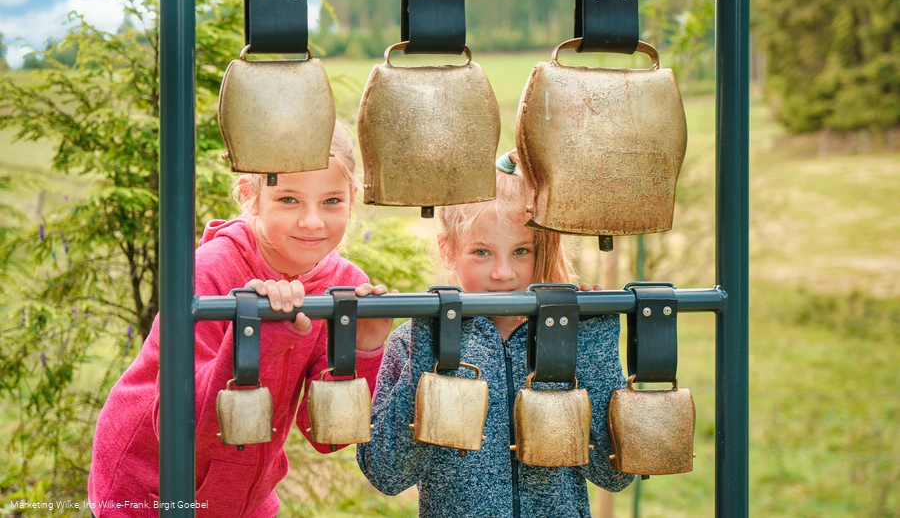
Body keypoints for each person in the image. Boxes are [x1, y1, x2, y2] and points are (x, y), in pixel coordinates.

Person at [89, 124, 393, 518]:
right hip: (149, 490)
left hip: (244, 497)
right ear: (250, 196)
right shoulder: (210, 271)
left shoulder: (345, 285)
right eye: (288, 199)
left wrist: (363, 349)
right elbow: (179, 425)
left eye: (331, 200)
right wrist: (260, 334)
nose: (312, 221)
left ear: (352, 199)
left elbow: (326, 437)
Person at [357, 151, 634, 517]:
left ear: (541, 249)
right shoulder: (412, 341)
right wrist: (431, 354)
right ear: (448, 250)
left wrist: (592, 347)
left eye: (521, 251)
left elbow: (615, 475)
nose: (503, 273)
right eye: (482, 252)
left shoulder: (568, 340)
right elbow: (387, 474)